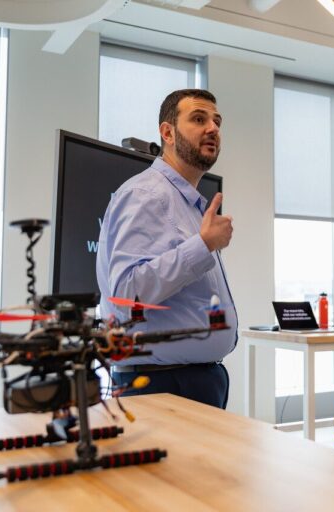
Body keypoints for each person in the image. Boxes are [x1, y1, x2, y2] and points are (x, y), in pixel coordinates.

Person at [96, 89, 237, 409]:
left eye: (217, 122)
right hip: (161, 384)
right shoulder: (146, 195)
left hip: (192, 379)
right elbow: (127, 296)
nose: (213, 128)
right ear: (167, 133)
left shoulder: (187, 203)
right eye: (199, 119)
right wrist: (204, 245)